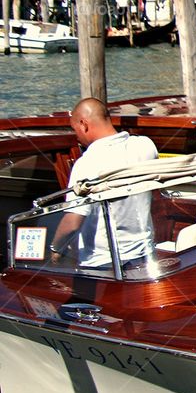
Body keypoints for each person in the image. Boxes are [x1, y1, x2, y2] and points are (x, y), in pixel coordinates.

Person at [49, 98, 158, 269]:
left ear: (84, 124)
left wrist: (56, 248)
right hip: (145, 255)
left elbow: (73, 223)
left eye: (74, 129)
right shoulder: (146, 146)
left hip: (103, 262)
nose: (76, 136)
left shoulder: (86, 163)